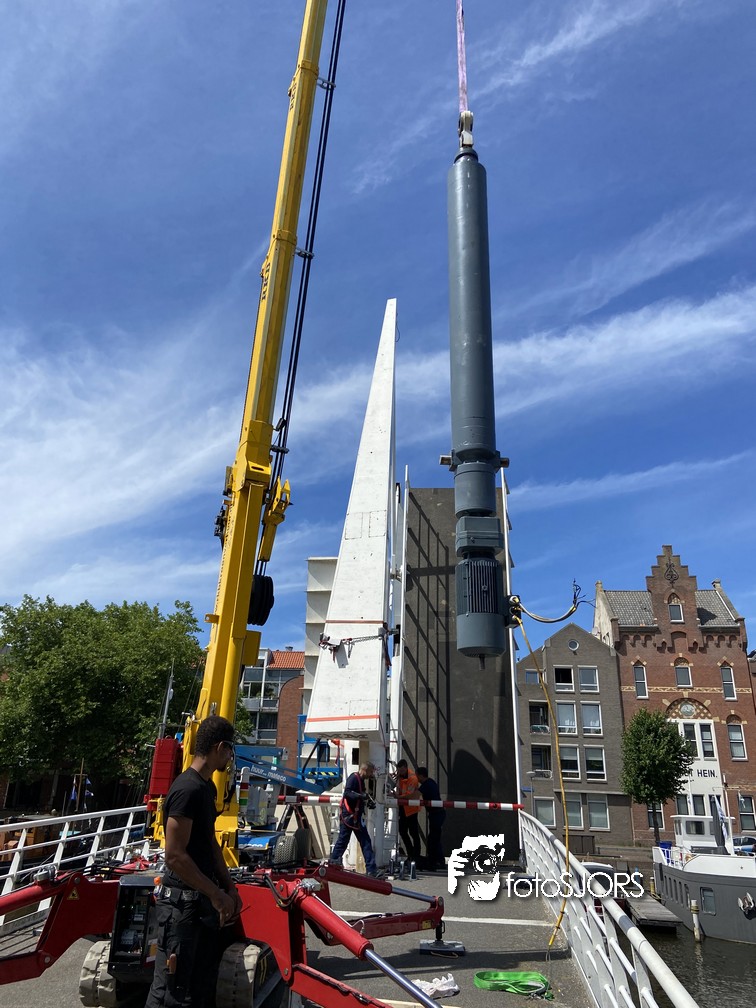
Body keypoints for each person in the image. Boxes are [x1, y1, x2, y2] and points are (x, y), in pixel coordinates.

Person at [145, 715, 243, 1008]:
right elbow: (175, 856)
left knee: (199, 989)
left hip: (199, 907)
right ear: (220, 747)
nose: (230, 757)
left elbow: (209, 842)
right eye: (230, 750)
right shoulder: (186, 789)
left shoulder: (206, 788)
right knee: (171, 994)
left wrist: (228, 887)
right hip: (180, 911)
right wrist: (216, 894)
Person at [329, 761, 382, 877]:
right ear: (365, 770)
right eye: (370, 772)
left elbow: (357, 796)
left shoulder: (360, 781)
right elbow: (347, 793)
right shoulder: (353, 778)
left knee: (363, 841)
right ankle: (333, 863)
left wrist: (367, 802)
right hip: (350, 816)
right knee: (345, 840)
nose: (371, 774)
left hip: (355, 817)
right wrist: (360, 796)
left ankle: (370, 869)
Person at [417, 767, 446, 871]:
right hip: (438, 814)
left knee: (433, 839)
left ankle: (435, 862)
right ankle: (439, 861)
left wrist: (400, 797)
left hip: (436, 814)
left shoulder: (426, 785)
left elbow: (415, 795)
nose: (417, 778)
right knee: (435, 838)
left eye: (417, 776)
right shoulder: (431, 782)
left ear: (421, 776)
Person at [394, 758, 422, 864]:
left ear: (406, 768)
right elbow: (400, 790)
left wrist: (398, 796)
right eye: (399, 770)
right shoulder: (400, 777)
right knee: (402, 831)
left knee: (414, 833)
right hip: (403, 808)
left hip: (412, 809)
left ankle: (416, 856)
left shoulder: (412, 778)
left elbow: (409, 795)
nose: (400, 772)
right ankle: (411, 854)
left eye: (401, 770)